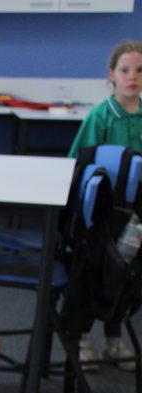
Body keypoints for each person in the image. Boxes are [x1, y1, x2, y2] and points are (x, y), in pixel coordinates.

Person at [69, 39, 142, 371]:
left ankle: (113, 339)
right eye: (125, 70)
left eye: (140, 70)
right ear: (112, 74)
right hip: (102, 213)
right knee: (96, 269)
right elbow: (78, 163)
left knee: (127, 276)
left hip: (136, 213)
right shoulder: (101, 117)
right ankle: (82, 337)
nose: (133, 77)